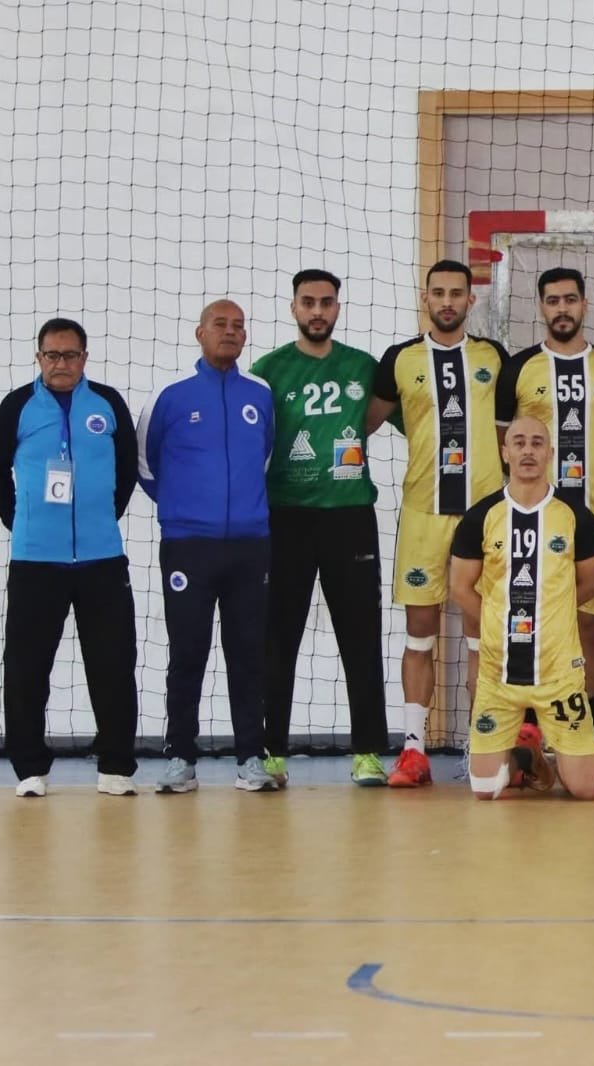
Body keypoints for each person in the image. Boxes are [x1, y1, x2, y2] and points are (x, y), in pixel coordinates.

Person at [0, 317, 140, 797]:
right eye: (52, 355)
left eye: (70, 355)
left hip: (102, 560)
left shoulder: (108, 403)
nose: (61, 364)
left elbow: (127, 471)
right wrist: (25, 524)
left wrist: (99, 520)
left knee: (114, 664)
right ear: (39, 358)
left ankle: (115, 766)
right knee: (27, 668)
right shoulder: (17, 406)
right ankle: (30, 769)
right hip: (35, 562)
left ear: (84, 358)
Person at [368, 260, 507, 788]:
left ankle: (481, 745)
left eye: (456, 293)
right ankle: (413, 750)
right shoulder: (399, 360)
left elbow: (508, 432)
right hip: (424, 513)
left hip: (483, 517)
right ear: (424, 298)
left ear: (471, 300)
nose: (447, 301)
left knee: (481, 637)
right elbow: (362, 423)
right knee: (419, 635)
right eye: (438, 292)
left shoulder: (494, 357)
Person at [496, 267, 594, 784]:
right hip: (535, 522)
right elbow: (504, 443)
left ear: (585, 304)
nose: (562, 308)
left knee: (590, 631)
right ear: (541, 306)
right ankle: (529, 745)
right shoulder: (518, 369)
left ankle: (591, 745)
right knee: (531, 626)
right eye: (553, 300)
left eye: (570, 299)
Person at [250, 269, 389, 787]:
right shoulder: (268, 371)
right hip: (285, 517)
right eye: (308, 302)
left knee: (361, 635)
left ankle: (368, 751)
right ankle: (271, 752)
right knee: (277, 636)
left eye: (326, 302)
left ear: (337, 308)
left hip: (349, 516)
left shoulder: (362, 366)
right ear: (293, 307)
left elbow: (396, 417)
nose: (317, 311)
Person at [136, 300, 277, 792]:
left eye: (239, 326)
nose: (230, 332)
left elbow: (264, 457)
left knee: (249, 654)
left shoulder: (260, 394)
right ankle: (180, 758)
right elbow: (145, 464)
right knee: (188, 652)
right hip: (188, 547)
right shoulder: (170, 396)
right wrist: (184, 508)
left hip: (250, 547)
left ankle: (251, 758)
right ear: (200, 332)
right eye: (220, 324)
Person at [448, 416, 594, 800]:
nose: (528, 450)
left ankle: (544, 753)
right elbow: (460, 587)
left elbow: (590, 582)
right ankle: (526, 756)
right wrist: (498, 622)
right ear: (505, 453)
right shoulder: (480, 516)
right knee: (484, 790)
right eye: (518, 442)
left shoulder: (577, 517)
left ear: (550, 453)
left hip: (559, 675)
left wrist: (552, 615)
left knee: (584, 790)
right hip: (498, 676)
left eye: (537, 443)